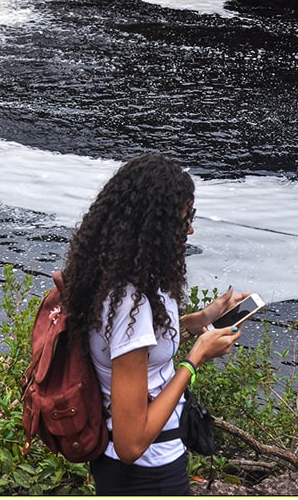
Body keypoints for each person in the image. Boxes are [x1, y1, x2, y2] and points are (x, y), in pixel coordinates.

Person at [62, 152, 251, 496]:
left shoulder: (118, 281)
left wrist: (202, 319)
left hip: (138, 467)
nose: (191, 227)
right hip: (145, 474)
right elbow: (131, 444)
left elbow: (134, 347)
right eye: (184, 218)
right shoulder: (129, 303)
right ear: (154, 227)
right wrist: (194, 361)